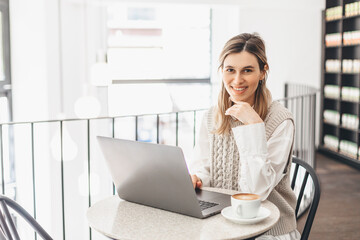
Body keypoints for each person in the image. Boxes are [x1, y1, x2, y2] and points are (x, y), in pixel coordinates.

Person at [189, 33, 300, 240]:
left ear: (262, 72)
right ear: (222, 71)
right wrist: (197, 178)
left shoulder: (281, 120)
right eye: (230, 70)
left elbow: (257, 192)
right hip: (221, 221)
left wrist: (254, 127)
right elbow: (202, 166)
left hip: (268, 229)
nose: (237, 80)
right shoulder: (211, 116)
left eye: (247, 70)